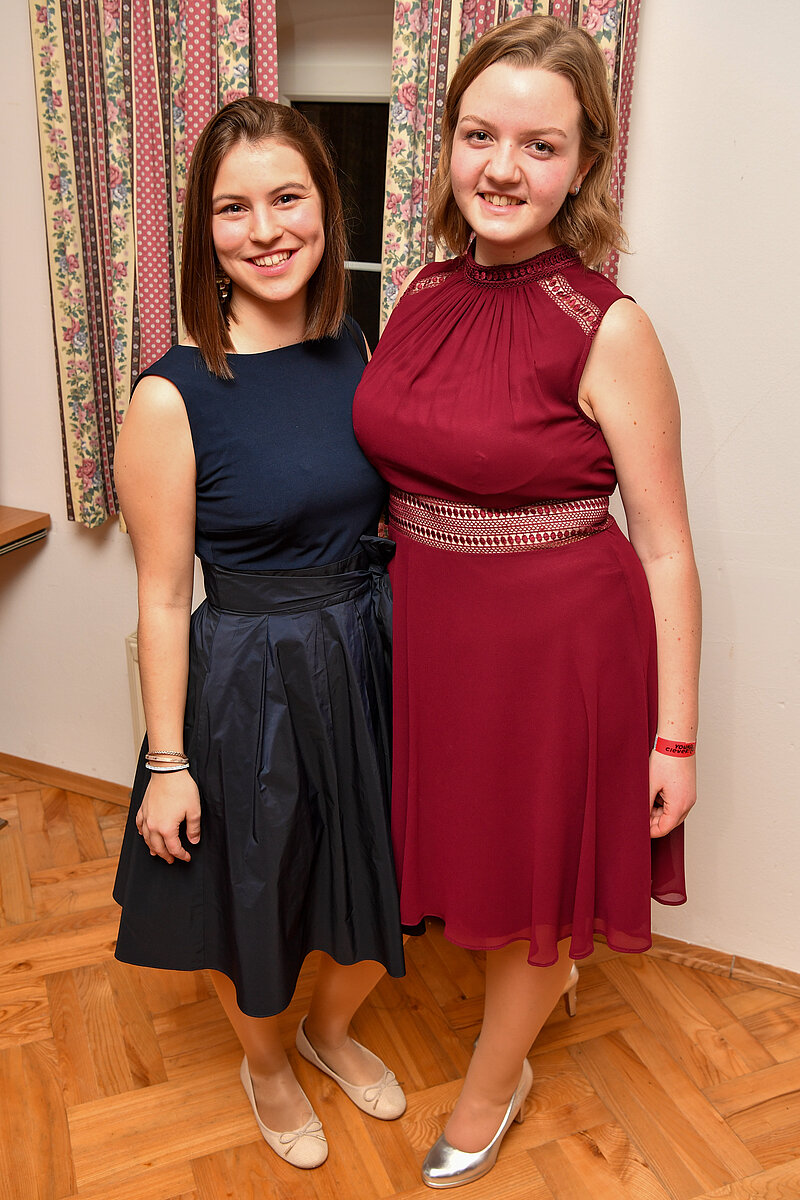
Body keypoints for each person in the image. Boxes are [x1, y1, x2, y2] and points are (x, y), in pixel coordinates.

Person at [354, 14, 700, 1190]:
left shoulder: (607, 324)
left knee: (533, 882)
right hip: (425, 629)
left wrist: (673, 737)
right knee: (452, 861)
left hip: (556, 651)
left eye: (538, 145)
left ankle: (490, 1089)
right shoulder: (420, 290)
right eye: (478, 135)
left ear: (583, 162)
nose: (500, 169)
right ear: (447, 142)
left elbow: (663, 546)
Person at [113, 97, 406, 1172]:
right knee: (258, 896)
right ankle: (267, 1063)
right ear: (205, 228)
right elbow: (159, 596)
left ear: (326, 207)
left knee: (386, 872)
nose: (266, 229)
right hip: (251, 677)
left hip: (368, 655)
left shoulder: (354, 342)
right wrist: (167, 765)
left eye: (287, 197)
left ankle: (327, 1031)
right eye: (233, 208)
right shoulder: (172, 393)